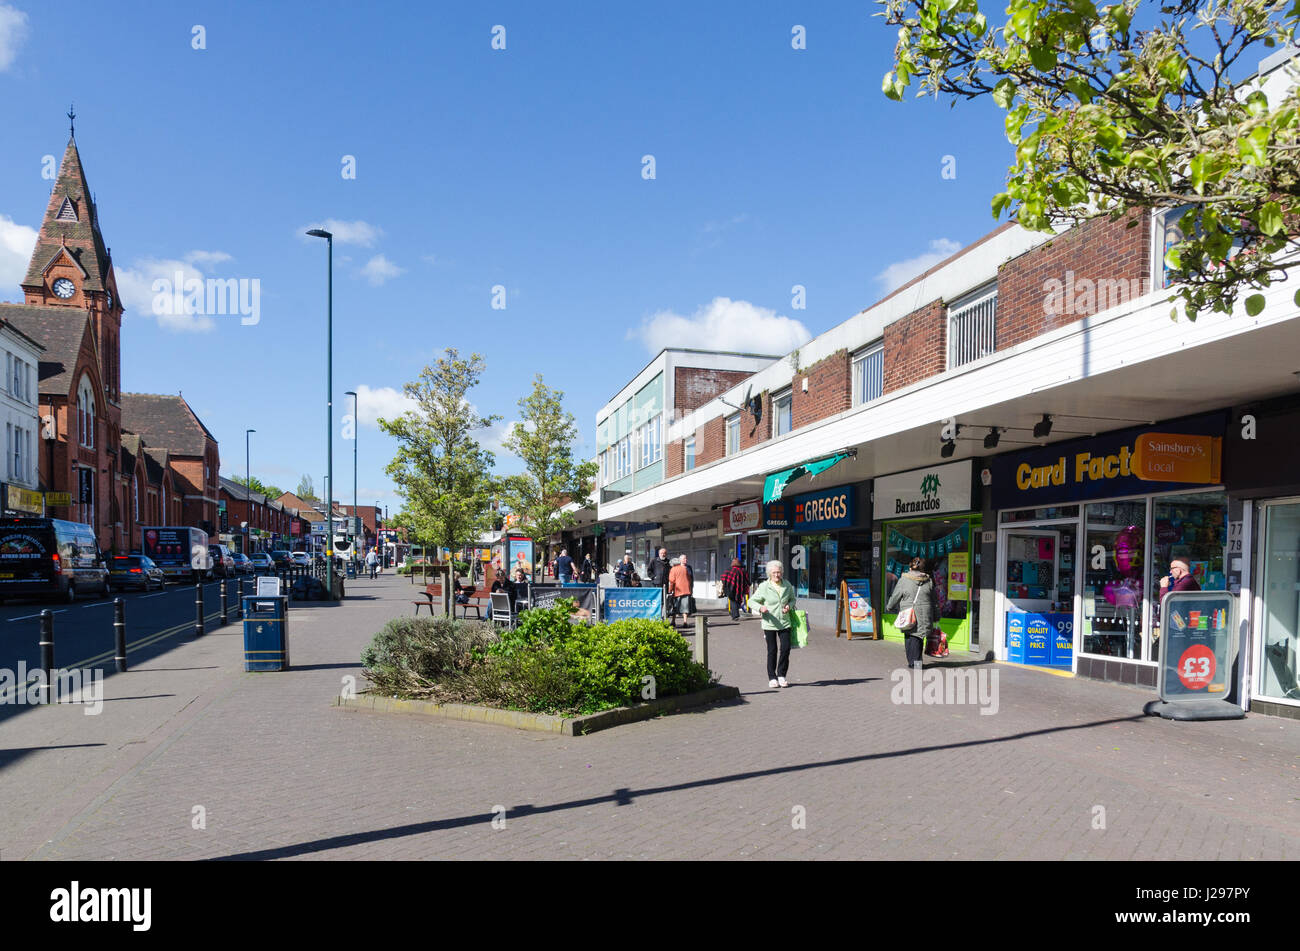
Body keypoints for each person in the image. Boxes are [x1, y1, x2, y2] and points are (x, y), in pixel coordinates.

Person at [886, 557, 941, 669]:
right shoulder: (929, 581)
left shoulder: (904, 580)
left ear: (910, 567)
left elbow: (896, 595)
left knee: (909, 636)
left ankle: (914, 663)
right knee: (919, 636)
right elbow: (935, 600)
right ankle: (916, 662)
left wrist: (889, 607)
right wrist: (936, 615)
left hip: (908, 613)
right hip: (924, 614)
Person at [749, 560, 796, 688]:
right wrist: (760, 608)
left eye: (779, 572)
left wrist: (789, 606)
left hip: (784, 622)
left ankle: (781, 675)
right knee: (772, 650)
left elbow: (792, 599)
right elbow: (751, 601)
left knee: (785, 648)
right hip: (769, 623)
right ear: (769, 573)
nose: (777, 575)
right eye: (774, 572)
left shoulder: (787, 585)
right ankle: (772, 677)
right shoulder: (764, 586)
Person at [667, 554, 693, 629]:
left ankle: (673, 621)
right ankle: (685, 622)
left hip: (677, 591)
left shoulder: (673, 569)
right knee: (685, 607)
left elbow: (672, 581)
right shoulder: (684, 568)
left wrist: (670, 590)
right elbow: (689, 578)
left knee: (675, 606)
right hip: (686, 590)